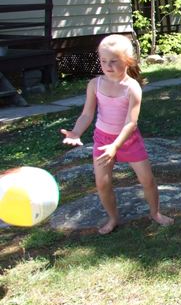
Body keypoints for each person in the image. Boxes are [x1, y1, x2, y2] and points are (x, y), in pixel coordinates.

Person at [60, 34, 173, 234]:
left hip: (128, 141)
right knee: (102, 183)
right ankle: (112, 218)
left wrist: (116, 146)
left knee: (147, 180)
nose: (108, 65)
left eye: (114, 61)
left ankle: (155, 213)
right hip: (103, 139)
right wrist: (76, 132)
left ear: (127, 61)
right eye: (103, 61)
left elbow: (131, 122)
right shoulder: (95, 84)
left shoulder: (132, 87)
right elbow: (87, 114)